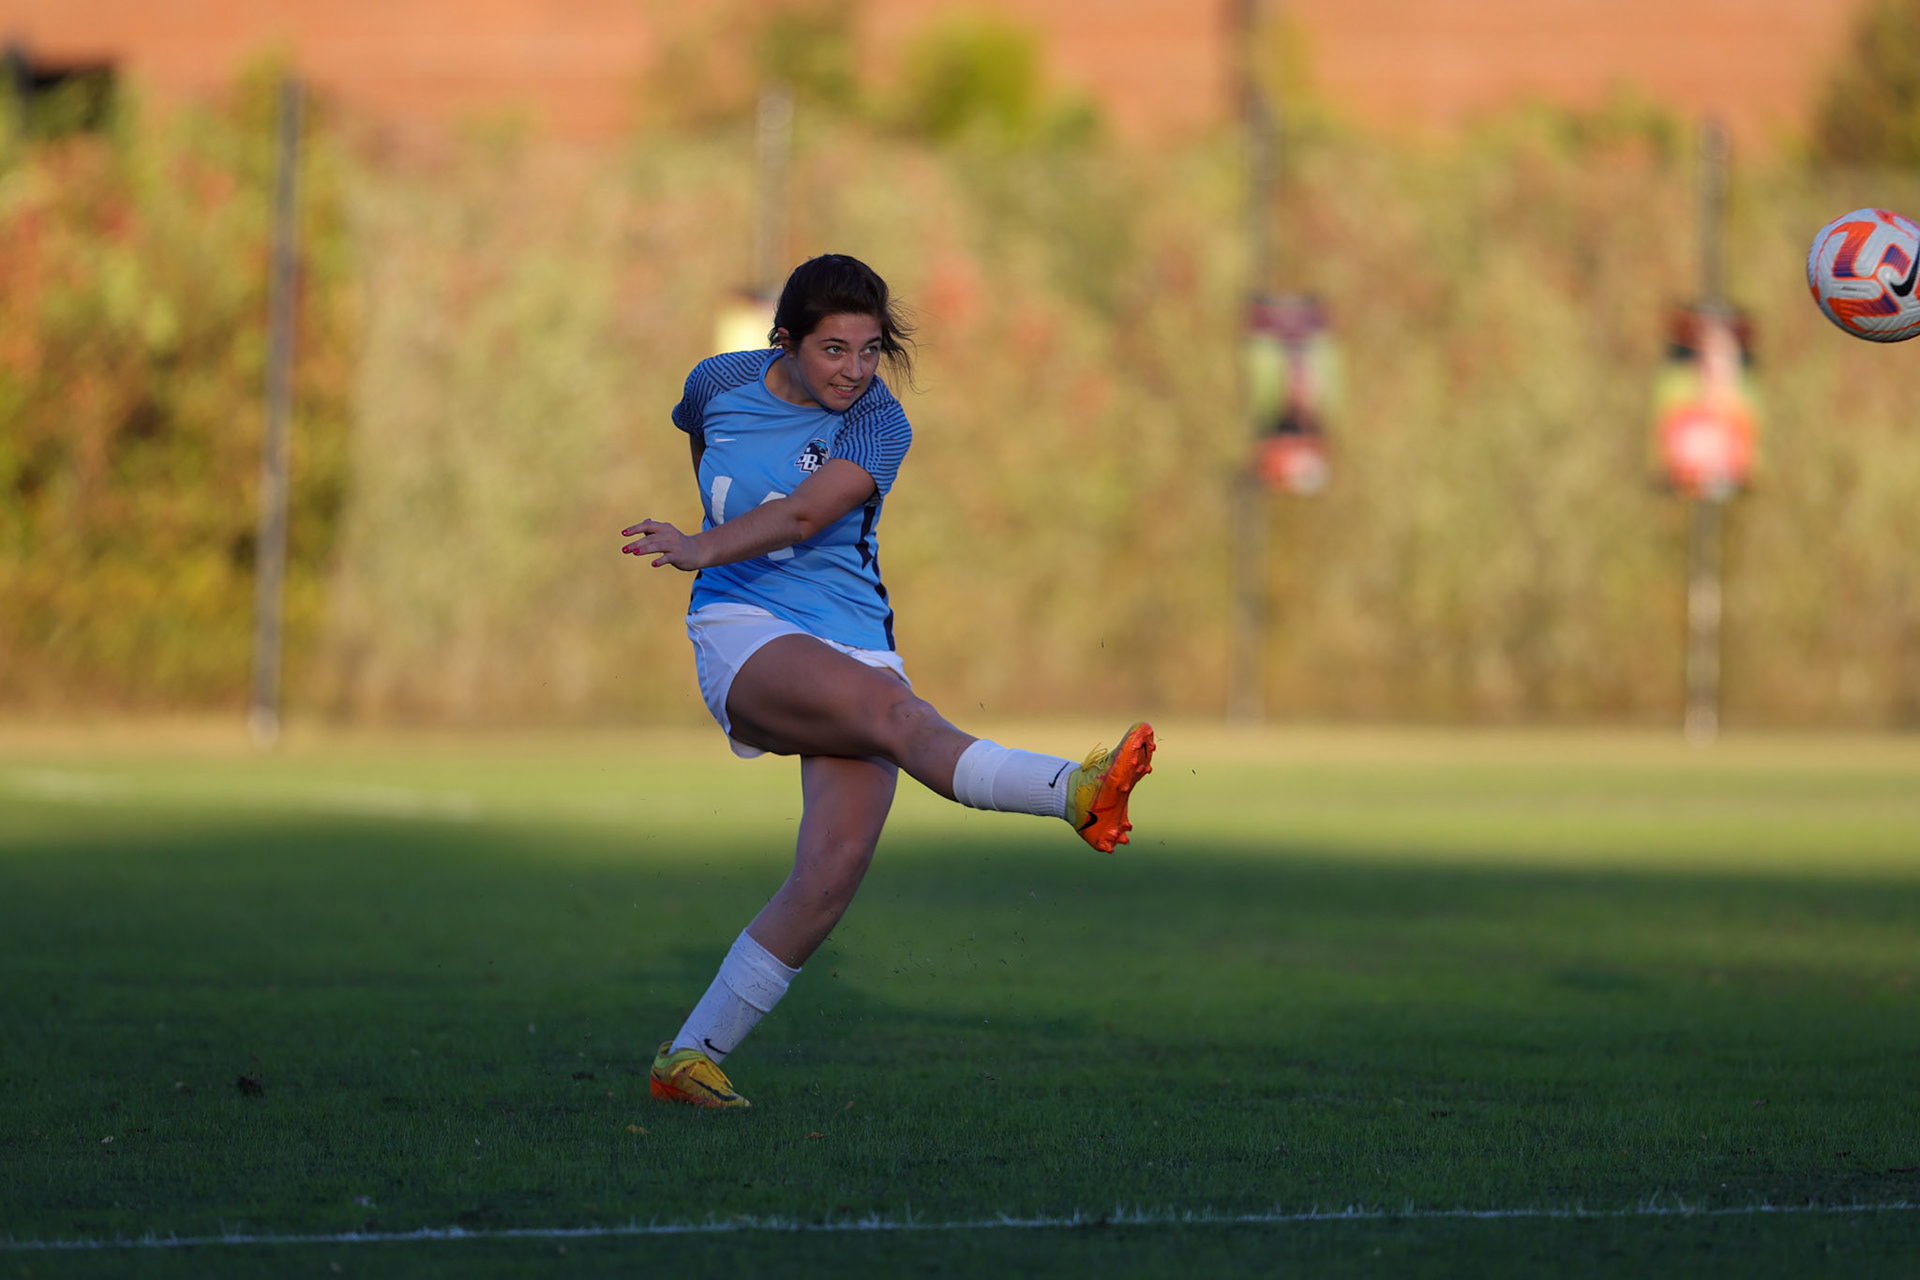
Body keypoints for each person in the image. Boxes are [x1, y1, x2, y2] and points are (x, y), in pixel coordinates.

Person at [620, 254, 1154, 1109]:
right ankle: (1074, 792)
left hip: (857, 642)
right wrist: (707, 549)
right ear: (785, 340)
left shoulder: (879, 423)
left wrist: (702, 541)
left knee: (832, 871)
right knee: (899, 719)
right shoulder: (715, 382)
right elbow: (703, 439)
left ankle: (688, 1059)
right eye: (833, 349)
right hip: (743, 627)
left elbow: (804, 514)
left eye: (870, 350)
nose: (855, 371)